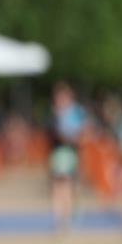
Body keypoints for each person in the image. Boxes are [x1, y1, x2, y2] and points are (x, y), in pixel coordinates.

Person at [48, 82, 85, 228]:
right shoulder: (55, 115)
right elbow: (55, 134)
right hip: (59, 153)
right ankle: (61, 218)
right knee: (60, 187)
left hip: (70, 153)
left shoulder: (74, 113)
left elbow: (81, 133)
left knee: (68, 187)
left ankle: (65, 217)